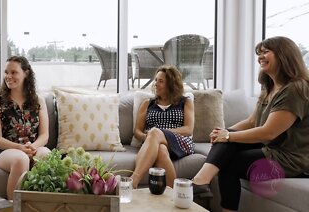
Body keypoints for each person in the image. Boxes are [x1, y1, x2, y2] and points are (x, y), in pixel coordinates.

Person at [192, 36, 309, 211]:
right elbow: (252, 121)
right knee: (226, 140)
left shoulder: (295, 89)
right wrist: (223, 133)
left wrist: (229, 136)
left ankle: (199, 184)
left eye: (266, 52)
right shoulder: (269, 87)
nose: (260, 56)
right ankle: (200, 182)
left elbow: (269, 133)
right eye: (259, 53)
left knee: (229, 160)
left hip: (292, 159)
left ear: (284, 55)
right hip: (272, 149)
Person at [0, 55, 51, 200]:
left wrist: (32, 147)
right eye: (6, 72)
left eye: (14, 72)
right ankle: (14, 207)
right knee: (21, 159)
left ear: (26, 73)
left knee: (46, 155)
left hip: (33, 147)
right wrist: (20, 148)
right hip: (3, 151)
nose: (8, 76)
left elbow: (44, 136)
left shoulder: (38, 101)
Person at [130, 65, 195, 188]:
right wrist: (149, 138)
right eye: (155, 80)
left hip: (180, 141)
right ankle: (174, 194)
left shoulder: (185, 102)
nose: (156, 84)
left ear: (171, 84)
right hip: (153, 142)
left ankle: (133, 181)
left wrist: (160, 133)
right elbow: (137, 131)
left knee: (155, 132)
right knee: (161, 150)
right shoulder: (147, 104)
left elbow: (188, 129)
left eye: (161, 81)